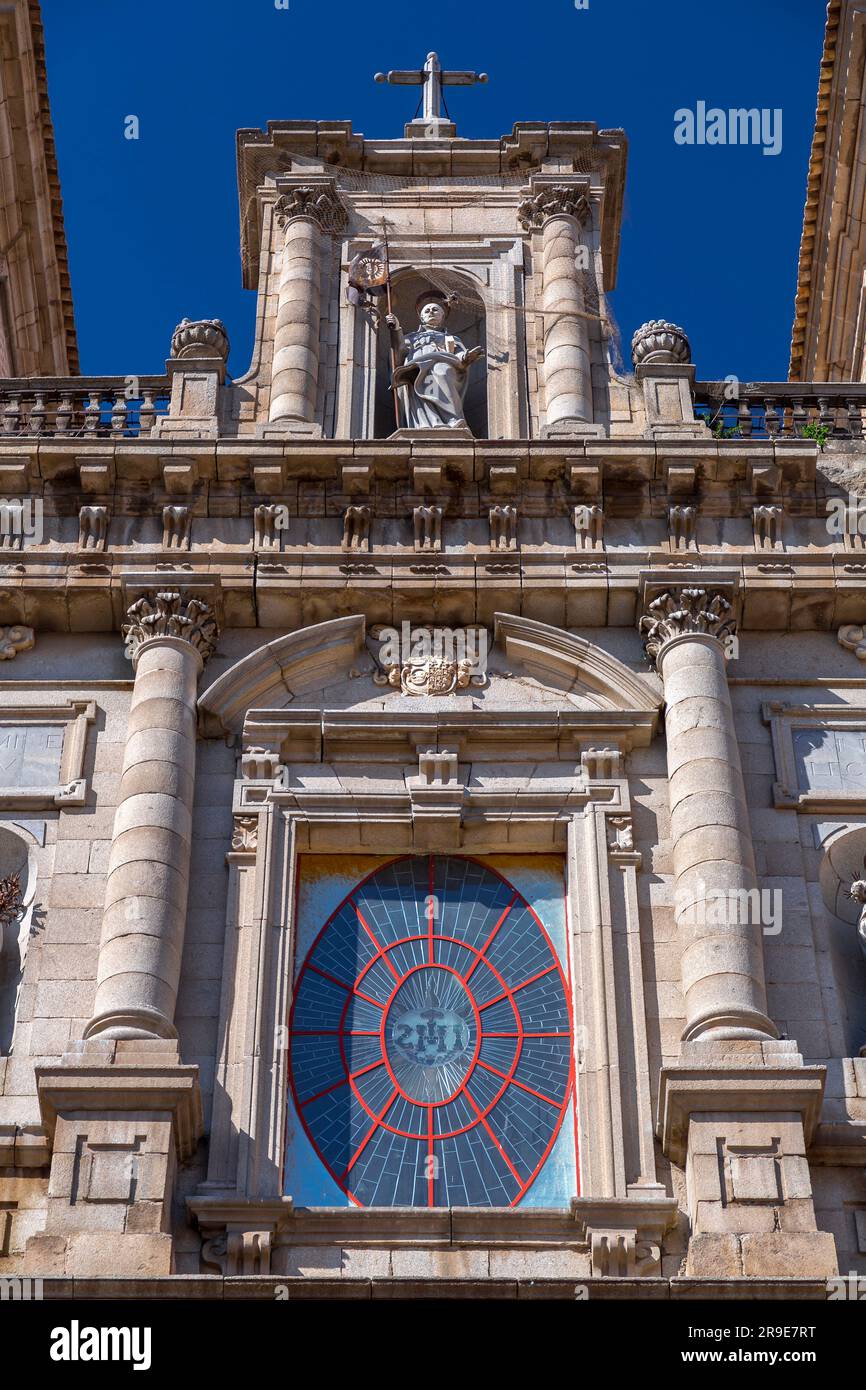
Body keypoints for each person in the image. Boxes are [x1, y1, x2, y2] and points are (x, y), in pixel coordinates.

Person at [386, 291, 484, 430]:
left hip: (444, 365)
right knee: (418, 378)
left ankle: (452, 419)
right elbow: (398, 353)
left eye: (435, 309)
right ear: (421, 317)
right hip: (416, 369)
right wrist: (396, 330)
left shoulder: (451, 338)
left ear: (443, 316)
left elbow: (459, 354)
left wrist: (466, 357)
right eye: (427, 310)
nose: (431, 312)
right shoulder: (411, 337)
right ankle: (424, 424)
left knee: (441, 371)